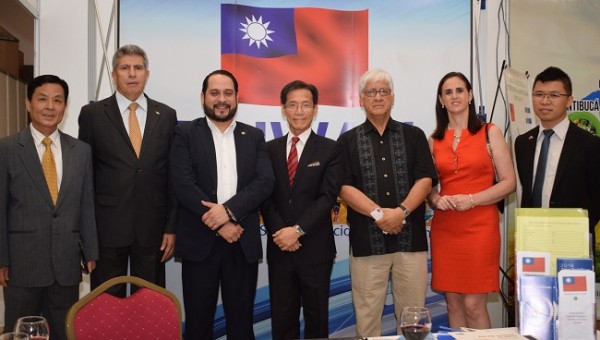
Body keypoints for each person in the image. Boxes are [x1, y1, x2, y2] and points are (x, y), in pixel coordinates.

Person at [169, 69, 274, 339]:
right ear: (203, 97)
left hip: (241, 242)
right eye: (214, 93)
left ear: (237, 97)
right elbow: (182, 183)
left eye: (228, 93)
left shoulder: (254, 136)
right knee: (198, 325)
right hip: (199, 244)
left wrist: (228, 213)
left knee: (241, 326)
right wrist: (219, 224)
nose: (221, 99)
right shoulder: (185, 133)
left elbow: (264, 182)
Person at [337, 69, 437, 337]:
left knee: (413, 320)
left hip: (410, 242)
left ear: (393, 97)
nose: (378, 97)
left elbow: (426, 179)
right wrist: (381, 215)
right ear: (361, 99)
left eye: (384, 91)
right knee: (367, 320)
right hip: (367, 244)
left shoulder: (414, 135)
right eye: (371, 92)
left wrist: (401, 212)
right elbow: (344, 187)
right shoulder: (347, 141)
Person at [0, 75, 98, 339]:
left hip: (66, 264)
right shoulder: (7, 149)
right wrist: (2, 258)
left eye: (58, 100)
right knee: (20, 332)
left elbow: (86, 203)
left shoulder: (81, 150)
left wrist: (91, 250)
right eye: (42, 99)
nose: (50, 107)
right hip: (22, 265)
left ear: (65, 107)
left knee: (64, 332)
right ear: (28, 103)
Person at [78, 44, 178, 296]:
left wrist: (171, 226)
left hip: (153, 228)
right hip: (107, 228)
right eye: (125, 68)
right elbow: (85, 176)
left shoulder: (166, 114)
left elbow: (172, 176)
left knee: (150, 303)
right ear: (114, 74)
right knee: (107, 304)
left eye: (138, 68)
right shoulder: (92, 114)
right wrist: (87, 234)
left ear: (147, 73)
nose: (132, 74)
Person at [427, 72, 516, 329]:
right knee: (453, 303)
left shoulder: (490, 132)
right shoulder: (434, 139)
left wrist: (472, 199)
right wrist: (435, 199)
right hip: (446, 229)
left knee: (473, 305)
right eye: (448, 92)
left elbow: (509, 183)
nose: (454, 96)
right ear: (441, 100)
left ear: (470, 95)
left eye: (459, 90)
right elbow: (430, 186)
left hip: (480, 227)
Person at [262, 80, 343, 339]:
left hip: (315, 248)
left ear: (315, 109)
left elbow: (328, 196)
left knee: (316, 319)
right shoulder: (269, 149)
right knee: (282, 318)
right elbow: (266, 196)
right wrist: (281, 233)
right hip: (280, 247)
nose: (299, 111)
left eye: (305, 105)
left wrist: (297, 231)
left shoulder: (331, 148)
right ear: (283, 109)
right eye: (293, 105)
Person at [515, 66, 600, 240]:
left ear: (569, 100)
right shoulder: (523, 143)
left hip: (572, 240)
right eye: (539, 94)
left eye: (554, 95)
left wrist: (577, 230)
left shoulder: (590, 144)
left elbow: (597, 198)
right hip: (532, 237)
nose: (545, 101)